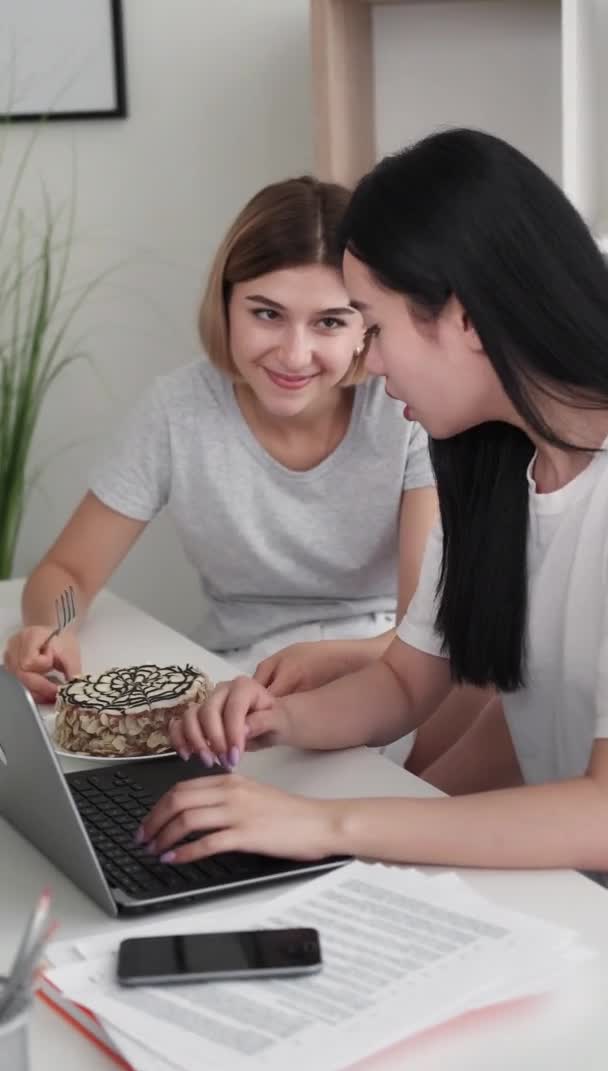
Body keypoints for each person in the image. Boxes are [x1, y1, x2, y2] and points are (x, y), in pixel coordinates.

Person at [136, 128, 608, 878]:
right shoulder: (494, 466)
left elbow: (601, 811)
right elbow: (405, 682)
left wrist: (324, 824)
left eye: (374, 327)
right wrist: (275, 720)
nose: (368, 360)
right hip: (556, 887)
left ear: (467, 320)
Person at [4, 176, 445, 763]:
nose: (293, 354)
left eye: (331, 322)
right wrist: (50, 633)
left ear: (368, 324)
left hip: (386, 669)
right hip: (235, 674)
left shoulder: (407, 411)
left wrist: (333, 658)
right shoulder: (178, 409)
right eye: (267, 313)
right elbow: (67, 569)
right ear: (226, 304)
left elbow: (423, 631)